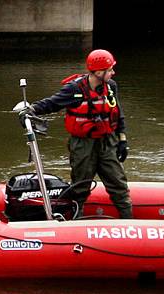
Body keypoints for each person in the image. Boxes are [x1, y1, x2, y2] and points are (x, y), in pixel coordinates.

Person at [22, 49, 133, 219]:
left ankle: (128, 221)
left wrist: (122, 140)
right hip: (83, 144)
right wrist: (31, 110)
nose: (113, 72)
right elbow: (52, 103)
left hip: (107, 142)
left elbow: (119, 114)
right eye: (110, 69)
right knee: (80, 187)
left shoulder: (111, 87)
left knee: (118, 184)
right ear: (98, 72)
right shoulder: (74, 89)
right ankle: (77, 221)